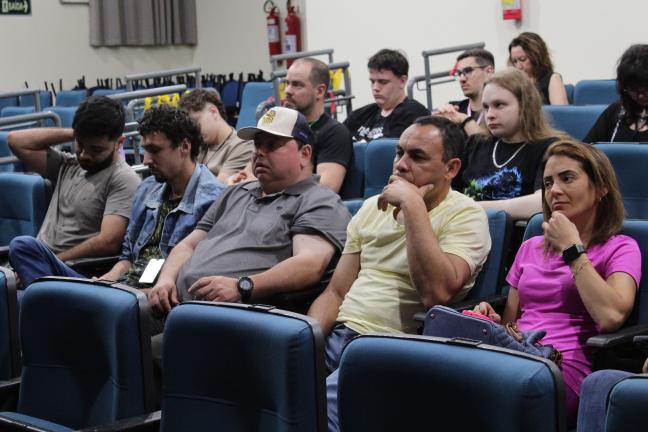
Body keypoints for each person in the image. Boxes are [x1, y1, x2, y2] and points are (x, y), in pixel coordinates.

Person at [307, 116, 491, 432]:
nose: (401, 165)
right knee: (270, 392)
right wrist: (306, 340)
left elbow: (437, 294)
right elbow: (336, 292)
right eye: (399, 153)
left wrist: (413, 206)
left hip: (393, 346)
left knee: (315, 413)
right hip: (340, 336)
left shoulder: (465, 215)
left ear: (451, 169)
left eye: (417, 156)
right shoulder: (370, 208)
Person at [474, 140, 641, 427]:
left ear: (601, 188)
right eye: (549, 182)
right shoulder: (531, 246)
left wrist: (572, 250)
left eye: (567, 178)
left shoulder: (621, 247)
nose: (554, 191)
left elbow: (611, 316)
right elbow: (513, 323)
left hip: (564, 366)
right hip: (517, 355)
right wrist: (494, 321)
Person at [147, 106, 350, 317]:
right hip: (177, 304)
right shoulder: (234, 192)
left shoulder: (318, 200)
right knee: (128, 308)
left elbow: (310, 264)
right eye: (257, 145)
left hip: (239, 316)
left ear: (304, 154)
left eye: (272, 145)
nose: (259, 152)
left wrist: (242, 286)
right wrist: (166, 279)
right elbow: (188, 245)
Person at [8, 106, 224, 289]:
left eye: (154, 150)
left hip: (152, 296)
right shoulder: (148, 189)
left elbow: (194, 274)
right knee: (23, 246)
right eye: (145, 150)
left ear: (184, 146)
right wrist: (104, 282)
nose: (146, 160)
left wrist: (139, 294)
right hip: (122, 287)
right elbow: (127, 259)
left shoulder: (212, 199)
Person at [8, 96, 140, 269]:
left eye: (96, 149)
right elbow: (15, 140)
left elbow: (108, 242)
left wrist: (51, 261)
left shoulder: (123, 178)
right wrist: (76, 132)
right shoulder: (68, 164)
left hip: (74, 270)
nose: (84, 155)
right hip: (39, 261)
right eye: (80, 144)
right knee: (20, 249)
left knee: (20, 246)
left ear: (119, 143)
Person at [229, 58, 353, 193]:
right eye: (287, 83)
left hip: (299, 204)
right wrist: (237, 181)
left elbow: (326, 188)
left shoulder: (334, 132)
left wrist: (258, 184)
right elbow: (248, 174)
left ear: (319, 91)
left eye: (297, 85)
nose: (287, 91)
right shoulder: (278, 127)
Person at [452, 68, 562, 220]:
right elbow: (448, 193)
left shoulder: (548, 148)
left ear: (525, 106)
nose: (490, 115)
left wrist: (473, 208)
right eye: (486, 107)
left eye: (499, 105)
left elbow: (542, 201)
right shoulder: (475, 143)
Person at [343, 48, 430, 142]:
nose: (375, 88)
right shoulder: (360, 115)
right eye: (372, 81)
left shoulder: (414, 114)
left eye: (383, 82)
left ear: (402, 81)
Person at [178, 88, 254, 182]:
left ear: (213, 112)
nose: (195, 130)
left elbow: (218, 187)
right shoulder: (200, 143)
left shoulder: (242, 146)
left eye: (196, 122)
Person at [584, 44, 648, 144]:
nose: (640, 96)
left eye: (644, 90)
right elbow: (587, 148)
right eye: (632, 90)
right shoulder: (615, 112)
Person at [434, 48, 495, 135]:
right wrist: (439, 122)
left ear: (489, 71)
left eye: (468, 71)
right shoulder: (455, 109)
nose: (462, 79)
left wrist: (465, 120)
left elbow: (488, 142)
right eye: (459, 73)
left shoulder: (498, 109)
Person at [508, 32, 568, 105]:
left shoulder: (553, 79)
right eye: (515, 61)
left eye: (523, 59)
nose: (518, 66)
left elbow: (560, 111)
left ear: (536, 57)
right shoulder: (515, 84)